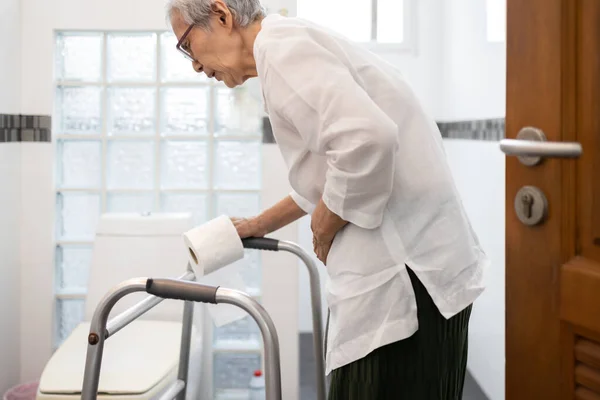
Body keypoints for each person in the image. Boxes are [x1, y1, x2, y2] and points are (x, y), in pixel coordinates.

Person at [166, 0, 489, 398]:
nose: (195, 66)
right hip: (425, 265)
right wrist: (257, 225)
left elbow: (368, 139)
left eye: (186, 44)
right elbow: (326, 178)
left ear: (222, 15)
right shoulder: (286, 48)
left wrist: (325, 222)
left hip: (407, 279)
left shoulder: (281, 50)